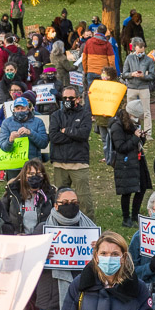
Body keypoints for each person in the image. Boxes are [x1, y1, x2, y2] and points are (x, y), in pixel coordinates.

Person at [49, 86, 94, 218]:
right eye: (65, 98)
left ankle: (89, 228)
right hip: (59, 163)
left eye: (71, 98)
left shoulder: (85, 114)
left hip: (79, 163)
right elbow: (53, 136)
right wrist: (74, 134)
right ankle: (60, 223)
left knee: (83, 199)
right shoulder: (56, 115)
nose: (67, 100)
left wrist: (66, 131)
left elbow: (83, 134)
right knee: (60, 199)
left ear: (78, 99)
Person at [109, 99, 152, 227]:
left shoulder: (133, 124)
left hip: (137, 160)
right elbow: (121, 147)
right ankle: (126, 218)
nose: (137, 119)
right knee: (127, 191)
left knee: (142, 188)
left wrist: (141, 137)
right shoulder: (117, 126)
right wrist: (135, 138)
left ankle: (135, 215)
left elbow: (137, 143)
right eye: (136, 116)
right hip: (125, 163)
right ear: (130, 114)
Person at [0, 96, 49, 180]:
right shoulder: (6, 123)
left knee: (33, 190)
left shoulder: (38, 122)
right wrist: (10, 139)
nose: (20, 111)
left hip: (33, 165)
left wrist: (30, 133)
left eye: (22, 108)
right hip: (13, 165)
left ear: (28, 109)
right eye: (17, 108)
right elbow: (3, 147)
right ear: (13, 109)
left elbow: (44, 144)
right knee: (15, 191)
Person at [123, 37, 155, 139]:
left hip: (144, 87)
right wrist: (131, 74)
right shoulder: (129, 58)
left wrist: (144, 76)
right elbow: (124, 74)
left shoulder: (149, 60)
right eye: (138, 52)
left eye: (142, 52)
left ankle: (148, 134)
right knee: (129, 110)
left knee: (146, 111)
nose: (140, 53)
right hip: (132, 87)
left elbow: (152, 75)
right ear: (134, 49)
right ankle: (130, 131)